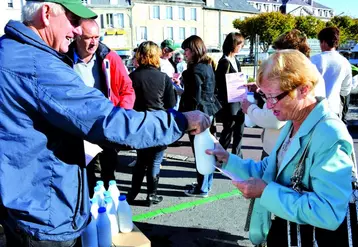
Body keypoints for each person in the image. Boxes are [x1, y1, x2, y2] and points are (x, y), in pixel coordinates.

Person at [0, 1, 211, 246]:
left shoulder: (9, 51)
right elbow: (111, 123)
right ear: (47, 14)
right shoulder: (39, 66)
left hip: (19, 201)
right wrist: (181, 120)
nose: (77, 31)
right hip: (43, 212)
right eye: (73, 21)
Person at [207, 50, 356, 246]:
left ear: (304, 89)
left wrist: (266, 192)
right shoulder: (294, 121)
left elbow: (328, 212)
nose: (268, 106)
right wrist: (227, 159)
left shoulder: (329, 134)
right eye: (264, 96)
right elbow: (271, 168)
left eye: (274, 97)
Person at [67, 18, 135, 193]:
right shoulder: (64, 58)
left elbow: (127, 88)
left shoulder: (109, 57)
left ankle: (109, 206)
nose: (94, 42)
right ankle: (89, 206)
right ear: (77, 37)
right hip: (77, 126)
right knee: (84, 172)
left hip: (106, 123)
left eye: (97, 37)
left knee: (109, 172)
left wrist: (121, 114)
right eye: (89, 37)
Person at [242, 29, 326, 158]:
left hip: (279, 151)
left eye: (279, 56)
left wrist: (250, 109)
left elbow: (273, 120)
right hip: (280, 149)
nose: (275, 61)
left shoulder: (330, 136)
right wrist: (265, 92)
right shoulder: (308, 73)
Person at [127, 41, 176, 206]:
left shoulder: (132, 77)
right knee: (155, 160)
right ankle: (151, 194)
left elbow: (128, 102)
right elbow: (171, 104)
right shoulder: (163, 78)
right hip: (159, 122)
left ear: (139, 56)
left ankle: (133, 193)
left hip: (140, 122)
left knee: (141, 159)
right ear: (157, 56)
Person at [179, 35, 221, 197]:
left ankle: (202, 187)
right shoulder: (207, 66)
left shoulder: (194, 70)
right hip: (209, 111)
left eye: (187, 50)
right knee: (207, 150)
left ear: (194, 50)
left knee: (200, 151)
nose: (185, 54)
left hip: (198, 114)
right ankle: (206, 184)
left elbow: (193, 97)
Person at [215, 32, 245, 157]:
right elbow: (220, 84)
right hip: (229, 102)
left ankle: (237, 157)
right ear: (233, 45)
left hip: (239, 100)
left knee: (239, 130)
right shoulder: (224, 62)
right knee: (228, 130)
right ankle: (219, 156)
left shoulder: (235, 61)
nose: (241, 47)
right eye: (240, 44)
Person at [311, 26, 352, 119]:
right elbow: (345, 91)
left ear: (324, 42)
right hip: (333, 109)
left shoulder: (313, 60)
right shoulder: (345, 62)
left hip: (313, 109)